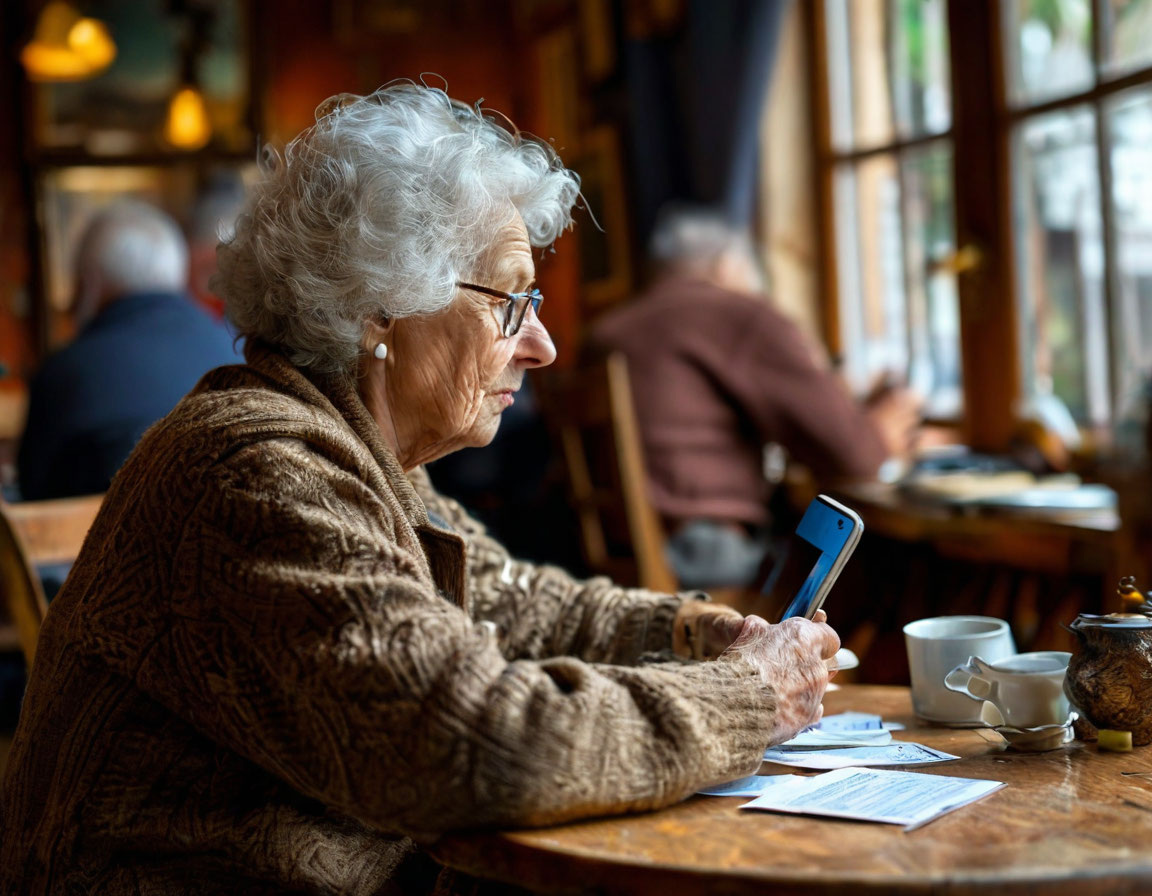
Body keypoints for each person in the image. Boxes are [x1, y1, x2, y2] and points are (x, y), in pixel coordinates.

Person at [0, 84, 839, 895]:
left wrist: (697, 631)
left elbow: (513, 604)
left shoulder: (360, 456)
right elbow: (473, 743)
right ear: (378, 309)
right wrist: (747, 694)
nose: (541, 344)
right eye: (510, 300)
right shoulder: (252, 469)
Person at [588, 206, 922, 589]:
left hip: (612, 555)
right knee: (877, 567)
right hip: (706, 555)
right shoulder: (737, 315)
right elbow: (857, 457)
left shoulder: (604, 333)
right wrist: (886, 424)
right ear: (729, 266)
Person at [17, 199, 241, 500]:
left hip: (95, 544)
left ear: (91, 283)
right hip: (222, 538)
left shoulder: (63, 373)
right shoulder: (232, 350)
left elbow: (34, 496)